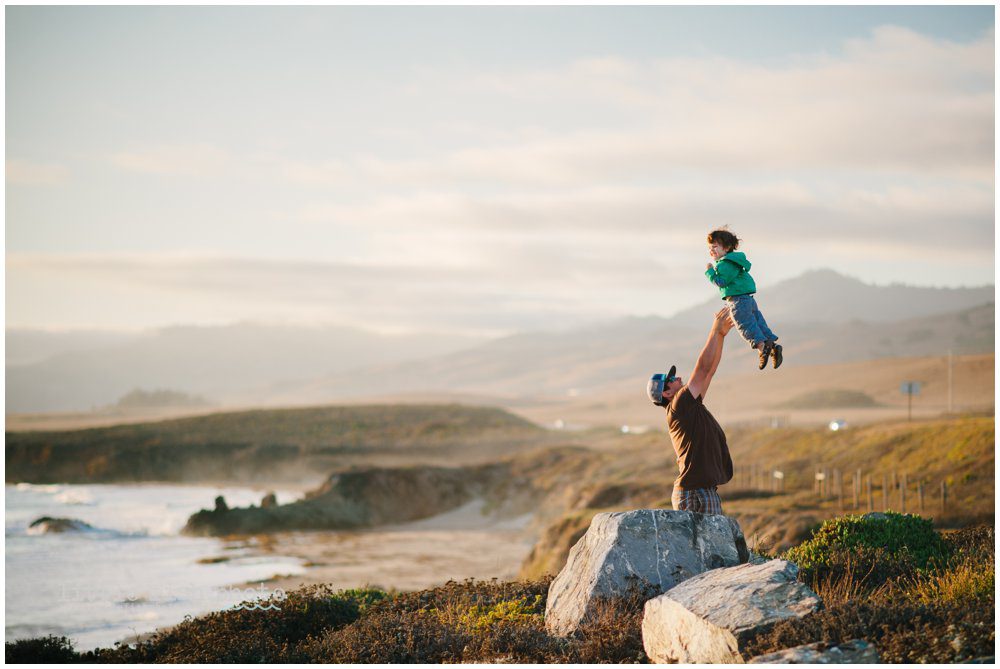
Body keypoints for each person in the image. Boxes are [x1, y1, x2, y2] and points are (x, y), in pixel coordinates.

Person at [647, 308, 735, 514]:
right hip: (695, 492)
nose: (678, 379)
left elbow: (710, 372)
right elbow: (702, 369)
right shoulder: (679, 404)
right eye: (671, 380)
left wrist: (720, 336)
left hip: (699, 491)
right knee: (709, 546)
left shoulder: (689, 405)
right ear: (666, 394)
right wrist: (714, 332)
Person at [704, 228, 782, 370]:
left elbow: (721, 282)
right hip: (747, 299)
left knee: (745, 325)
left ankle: (761, 347)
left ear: (726, 247)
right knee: (757, 323)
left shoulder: (725, 263)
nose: (711, 250)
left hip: (737, 300)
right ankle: (772, 347)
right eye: (710, 248)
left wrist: (710, 272)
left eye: (714, 246)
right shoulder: (734, 261)